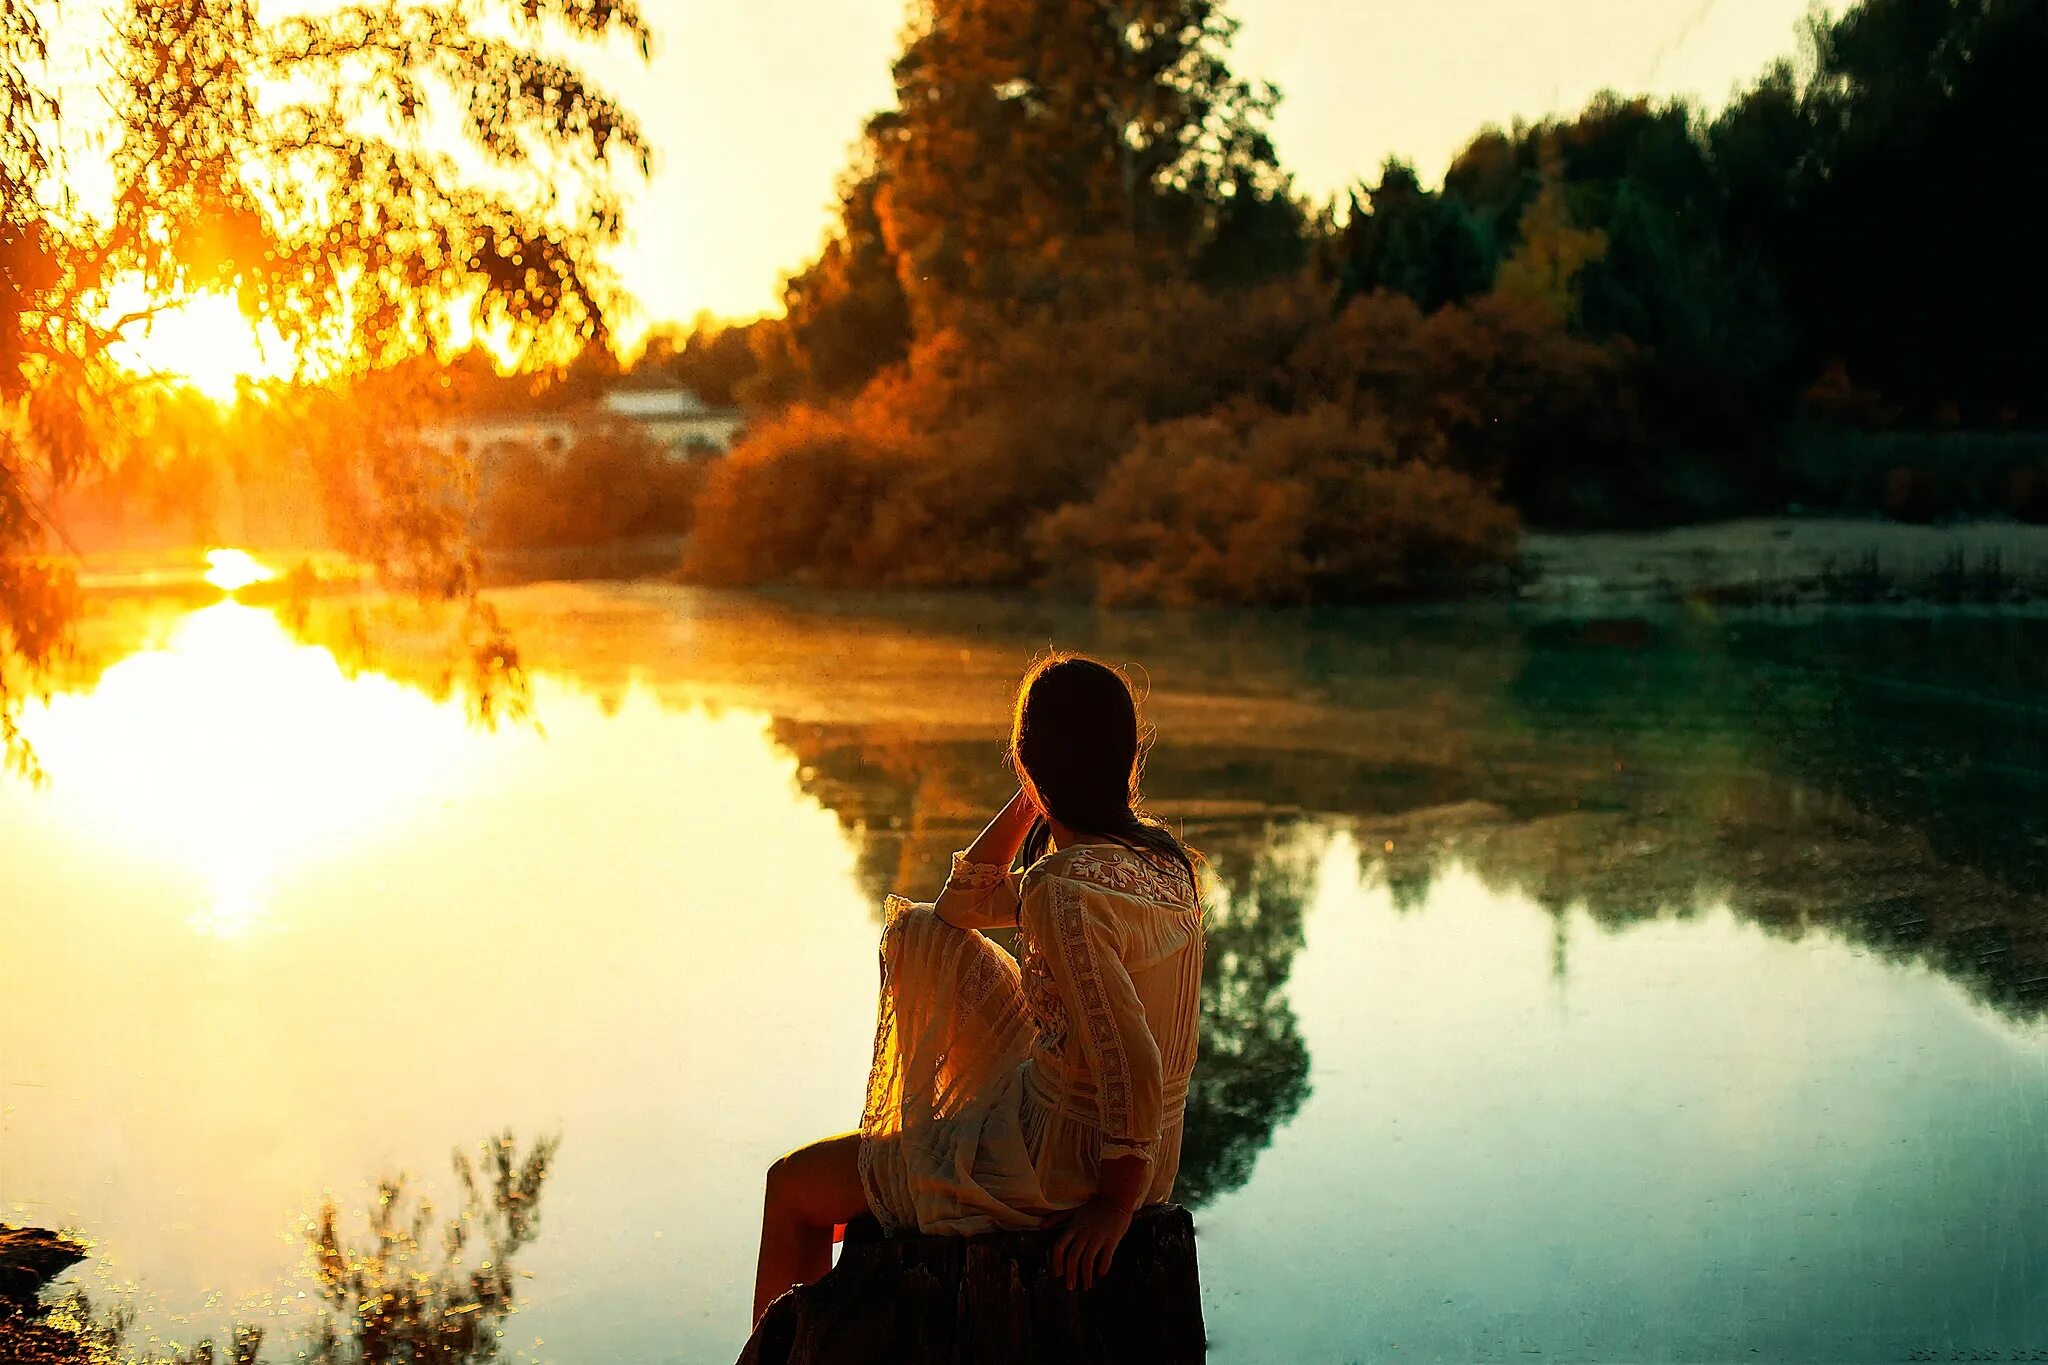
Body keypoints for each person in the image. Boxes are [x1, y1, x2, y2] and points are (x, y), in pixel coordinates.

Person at [751, 653, 1206, 1325]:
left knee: (789, 1186)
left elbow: (1135, 1060)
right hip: (1143, 1153)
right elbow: (960, 906)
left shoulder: (1063, 889)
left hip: (1061, 1165)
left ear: (1030, 760)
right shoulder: (1160, 863)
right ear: (1127, 756)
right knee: (926, 932)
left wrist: (1112, 1204)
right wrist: (1037, 793)